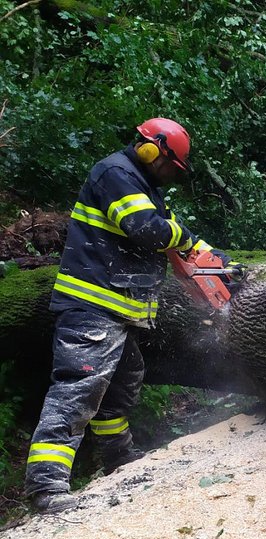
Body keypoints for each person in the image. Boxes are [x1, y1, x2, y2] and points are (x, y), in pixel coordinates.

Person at [24, 118, 245, 514]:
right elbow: (147, 229)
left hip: (119, 310)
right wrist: (185, 239)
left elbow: (173, 233)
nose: (171, 177)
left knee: (120, 386)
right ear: (151, 150)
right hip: (92, 306)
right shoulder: (115, 174)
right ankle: (45, 486)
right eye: (171, 168)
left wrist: (214, 260)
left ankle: (118, 461)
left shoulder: (144, 188)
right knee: (77, 391)